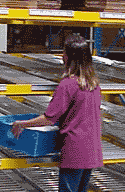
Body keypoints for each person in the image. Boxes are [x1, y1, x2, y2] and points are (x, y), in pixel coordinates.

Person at [12, 34, 104, 192]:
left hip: (75, 150)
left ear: (69, 57)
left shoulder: (67, 85)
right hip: (92, 150)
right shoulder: (93, 85)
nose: (62, 56)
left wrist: (21, 124)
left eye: (64, 52)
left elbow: (49, 119)